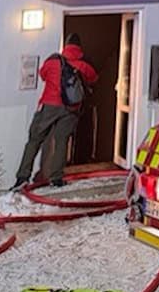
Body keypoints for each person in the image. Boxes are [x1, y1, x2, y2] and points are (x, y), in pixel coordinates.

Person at [11, 33, 98, 190]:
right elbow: (93, 78)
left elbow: (42, 74)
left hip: (49, 106)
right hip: (71, 108)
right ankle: (56, 178)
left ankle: (23, 177)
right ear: (79, 47)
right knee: (61, 141)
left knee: (34, 140)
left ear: (65, 45)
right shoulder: (83, 65)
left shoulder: (53, 61)